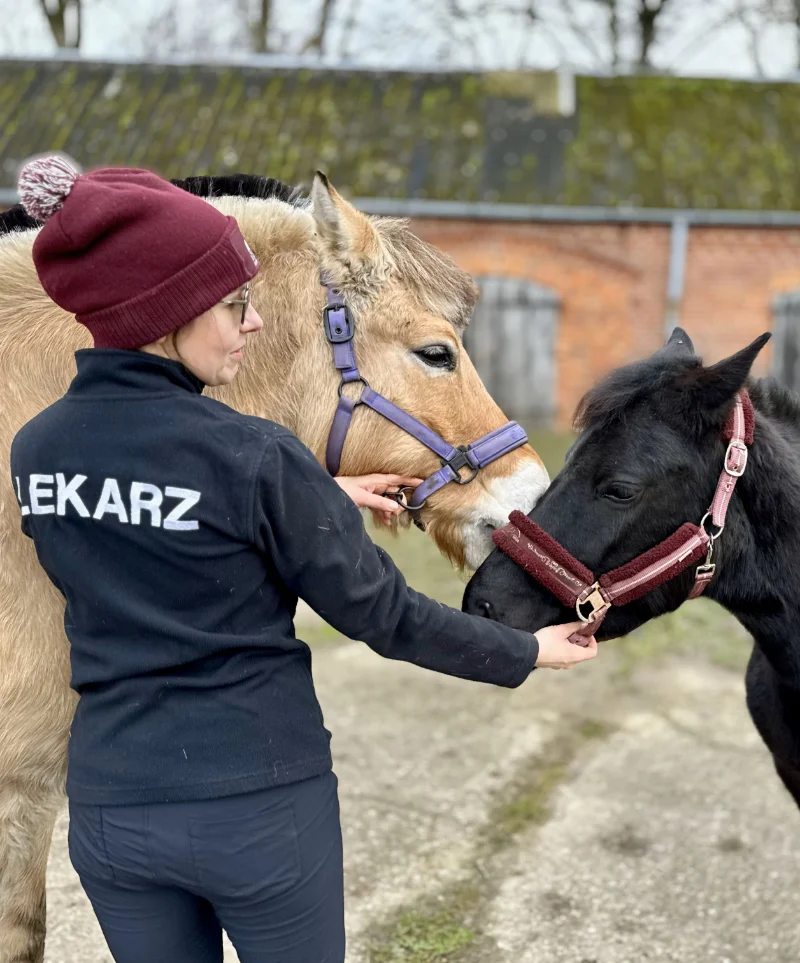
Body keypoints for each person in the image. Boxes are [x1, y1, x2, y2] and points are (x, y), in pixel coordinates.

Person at [10, 157, 597, 963]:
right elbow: (384, 616)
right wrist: (527, 649)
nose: (253, 323)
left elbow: (137, 515)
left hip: (117, 817)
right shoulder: (259, 459)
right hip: (257, 810)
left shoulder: (36, 450)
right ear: (166, 314)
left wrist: (312, 496)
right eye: (232, 305)